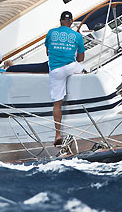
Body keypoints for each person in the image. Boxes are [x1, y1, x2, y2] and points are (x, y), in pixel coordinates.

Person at [45, 11, 85, 145]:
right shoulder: (77, 36)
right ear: (71, 22)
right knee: (84, 68)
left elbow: (47, 52)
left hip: (56, 70)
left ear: (60, 21)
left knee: (57, 103)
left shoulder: (51, 33)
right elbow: (81, 58)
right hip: (70, 67)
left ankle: (57, 135)